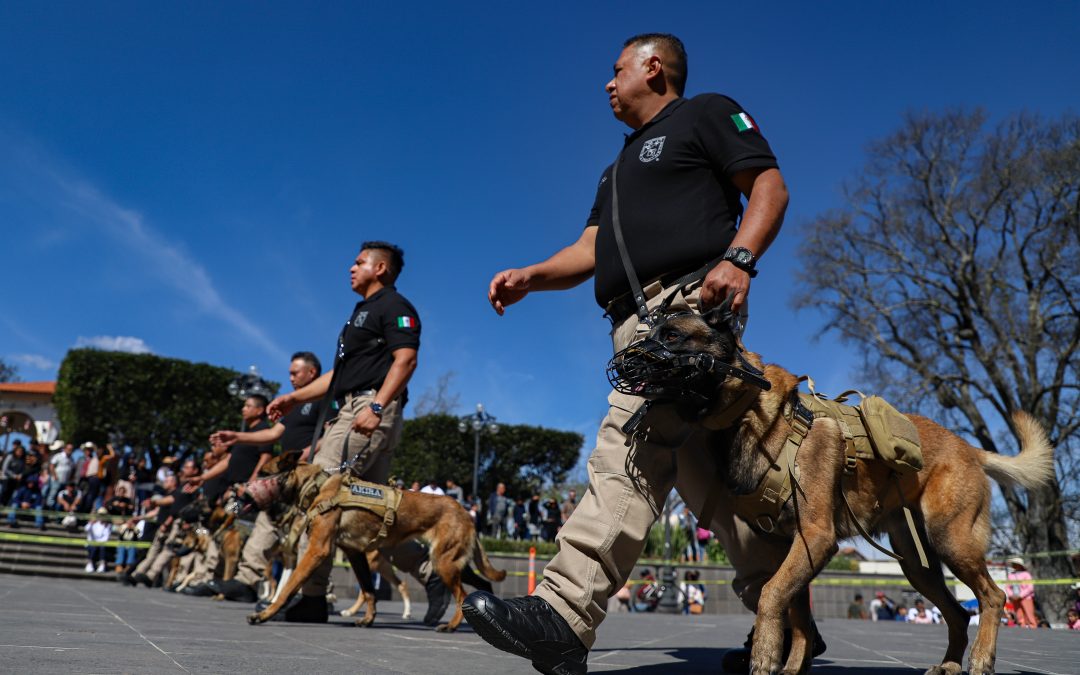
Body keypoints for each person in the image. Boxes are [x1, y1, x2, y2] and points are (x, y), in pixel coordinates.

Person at [464, 33, 798, 675]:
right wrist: (533, 274)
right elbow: (590, 246)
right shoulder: (615, 169)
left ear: (653, 67)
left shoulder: (705, 112)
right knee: (716, 484)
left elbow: (770, 187)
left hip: (687, 308)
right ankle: (783, 624)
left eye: (616, 70)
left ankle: (563, 613)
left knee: (628, 448)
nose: (607, 83)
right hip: (630, 322)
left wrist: (739, 259)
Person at [265, 241, 427, 623]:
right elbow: (339, 376)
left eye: (359, 262)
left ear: (381, 268)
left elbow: (406, 360)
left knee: (318, 495)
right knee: (374, 517)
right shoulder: (361, 313)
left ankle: (313, 597)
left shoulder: (394, 306)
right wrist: (295, 398)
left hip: (366, 409)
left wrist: (376, 406)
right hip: (358, 406)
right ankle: (434, 578)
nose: (350, 268)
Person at [196, 351, 325, 602]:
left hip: (307, 473)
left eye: (294, 373)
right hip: (283, 476)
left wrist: (306, 456)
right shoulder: (293, 405)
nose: (290, 378)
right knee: (264, 521)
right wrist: (237, 436)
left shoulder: (324, 399)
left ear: (312, 373)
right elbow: (273, 434)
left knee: (305, 530)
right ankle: (246, 580)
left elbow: (330, 432)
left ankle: (315, 592)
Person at [1005, 557, 1038, 628]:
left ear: (1019, 565)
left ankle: (1033, 627)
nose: (1013, 565)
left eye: (1015, 564)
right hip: (1015, 597)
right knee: (1019, 615)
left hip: (1026, 597)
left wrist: (1020, 595)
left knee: (1029, 614)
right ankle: (1022, 627)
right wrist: (1011, 595)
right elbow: (1008, 587)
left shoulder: (1026, 574)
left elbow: (1030, 587)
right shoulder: (1011, 575)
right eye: (1013, 564)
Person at [45, 441, 74, 509]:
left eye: (71, 449)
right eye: (69, 449)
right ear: (65, 449)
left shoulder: (71, 459)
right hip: (56, 480)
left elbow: (72, 470)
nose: (70, 451)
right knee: (52, 496)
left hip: (65, 482)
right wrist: (55, 476)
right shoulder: (58, 456)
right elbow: (51, 466)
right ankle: (49, 510)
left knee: (61, 498)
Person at [85, 507, 112, 573]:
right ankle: (90, 563)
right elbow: (86, 529)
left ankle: (102, 564)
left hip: (101, 544)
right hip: (92, 543)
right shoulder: (93, 523)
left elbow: (106, 537)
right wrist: (91, 523)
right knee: (93, 547)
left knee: (102, 548)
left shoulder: (107, 525)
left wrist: (99, 543)